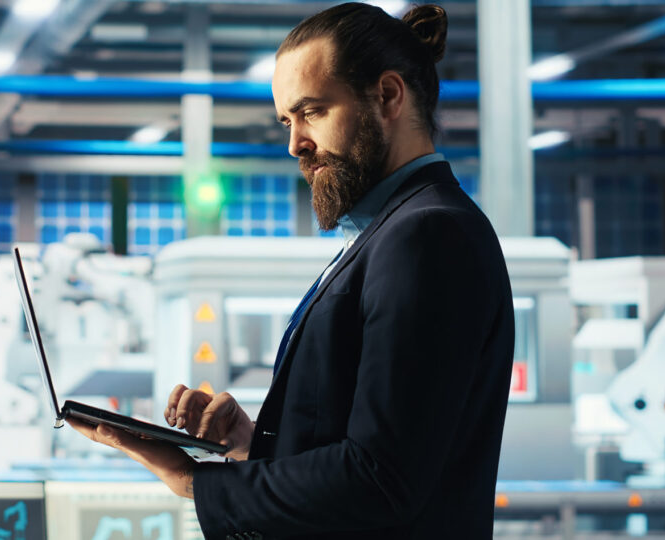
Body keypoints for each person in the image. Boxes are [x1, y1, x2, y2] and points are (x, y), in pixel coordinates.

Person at [69, 3, 515, 538]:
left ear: (389, 96)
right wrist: (253, 441)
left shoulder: (427, 235)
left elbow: (382, 478)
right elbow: (374, 445)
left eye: (313, 112)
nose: (294, 143)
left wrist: (196, 482)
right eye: (287, 120)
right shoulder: (388, 234)